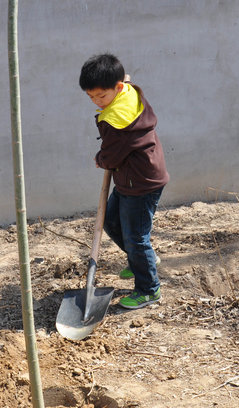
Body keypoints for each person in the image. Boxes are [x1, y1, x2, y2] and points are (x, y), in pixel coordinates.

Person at [79, 53, 169, 309]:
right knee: (110, 220)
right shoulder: (127, 91)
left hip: (140, 184)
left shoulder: (117, 120)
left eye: (101, 96)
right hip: (134, 177)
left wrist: (101, 158)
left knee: (136, 237)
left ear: (117, 88)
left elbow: (111, 155)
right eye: (91, 97)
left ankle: (149, 289)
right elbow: (125, 80)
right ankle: (143, 259)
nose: (97, 102)